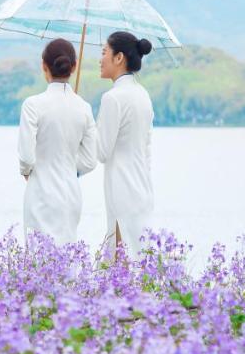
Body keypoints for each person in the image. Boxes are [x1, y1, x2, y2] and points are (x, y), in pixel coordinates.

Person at [17, 38, 98, 243]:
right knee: (66, 259)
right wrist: (70, 168)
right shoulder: (84, 108)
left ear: (44, 65)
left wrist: (27, 172)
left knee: (38, 263)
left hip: (40, 193)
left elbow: (26, 156)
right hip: (70, 195)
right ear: (74, 66)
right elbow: (90, 161)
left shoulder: (33, 105)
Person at [96, 30, 154, 254]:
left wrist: (85, 129)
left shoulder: (113, 98)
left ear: (118, 58)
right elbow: (146, 146)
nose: (100, 60)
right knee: (138, 255)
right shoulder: (142, 95)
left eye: (104, 53)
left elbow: (101, 152)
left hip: (121, 186)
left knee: (122, 260)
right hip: (142, 186)